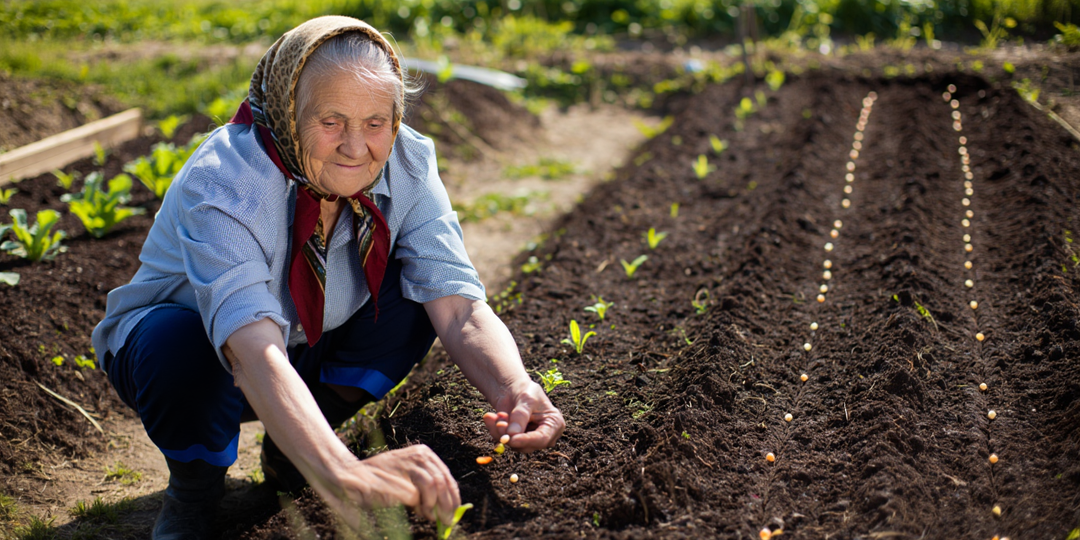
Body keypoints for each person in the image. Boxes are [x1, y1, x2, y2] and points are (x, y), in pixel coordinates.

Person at [91, 16, 565, 539]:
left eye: (375, 122)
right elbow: (249, 347)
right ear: (288, 112)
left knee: (417, 293)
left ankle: (292, 454)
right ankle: (195, 487)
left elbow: (458, 305)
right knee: (175, 342)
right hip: (205, 358)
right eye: (331, 121)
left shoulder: (407, 161)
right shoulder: (226, 180)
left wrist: (515, 388)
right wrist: (342, 473)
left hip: (302, 346)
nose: (356, 147)